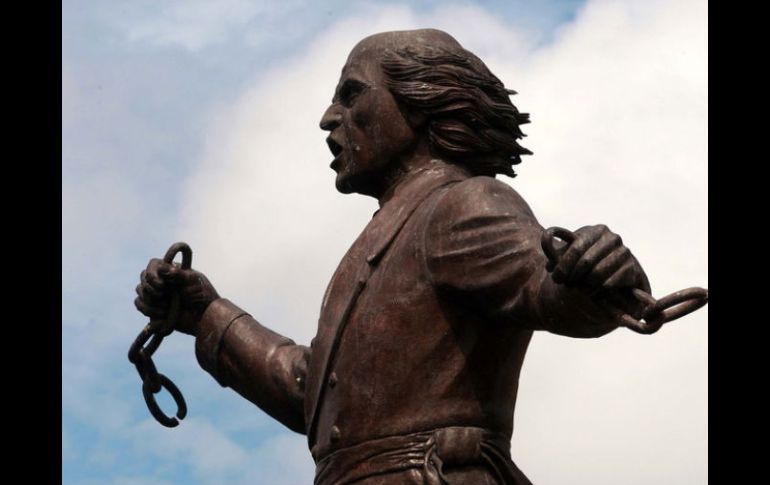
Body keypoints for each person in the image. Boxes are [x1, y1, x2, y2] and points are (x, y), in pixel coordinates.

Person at [135, 29, 658, 485]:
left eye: (352, 94)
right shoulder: (385, 234)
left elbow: (548, 290)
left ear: (420, 101)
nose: (328, 118)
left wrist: (595, 273)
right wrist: (206, 314)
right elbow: (313, 391)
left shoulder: (461, 202)